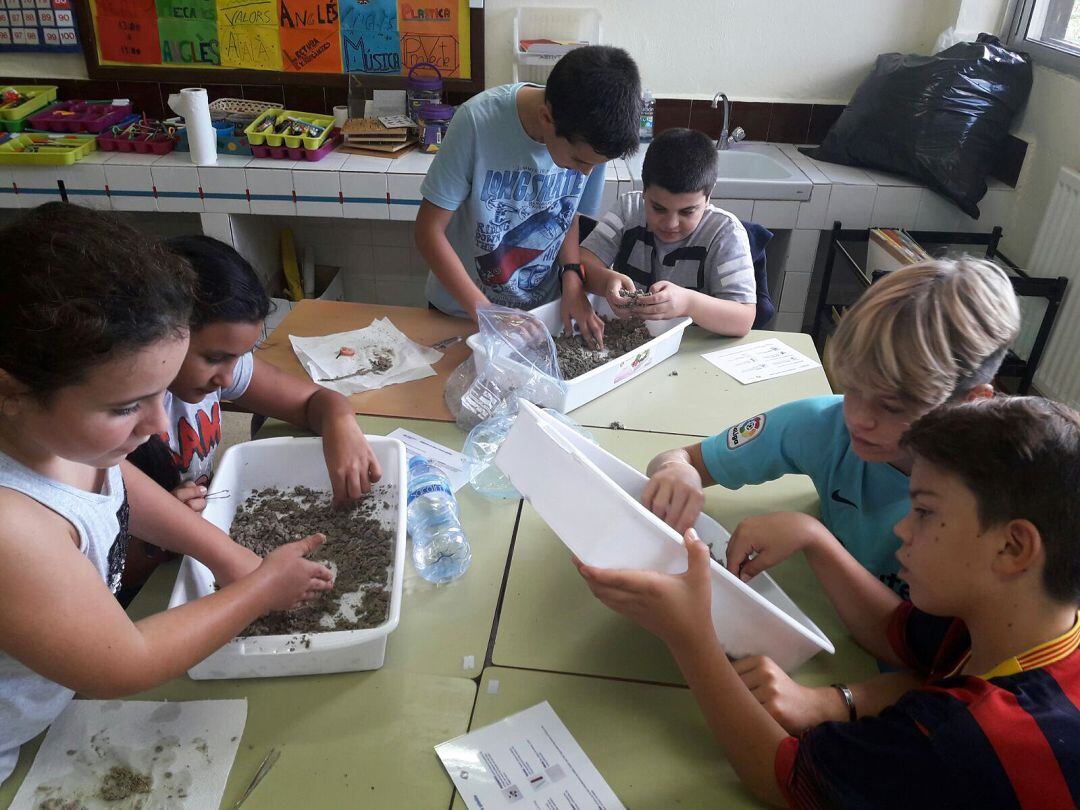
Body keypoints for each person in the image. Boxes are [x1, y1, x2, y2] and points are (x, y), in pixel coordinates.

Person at [578, 396, 1080, 808]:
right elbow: (897, 634)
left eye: (924, 512)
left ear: (1013, 548)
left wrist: (689, 633)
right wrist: (816, 538)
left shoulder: (963, 740)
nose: (902, 527)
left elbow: (784, 777)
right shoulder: (1023, 621)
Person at [0, 204, 332, 784]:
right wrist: (258, 590)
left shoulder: (61, 437)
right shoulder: (11, 525)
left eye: (160, 392)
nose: (158, 423)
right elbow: (124, 663)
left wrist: (228, 557)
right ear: (12, 391)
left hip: (57, 702)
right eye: (127, 406)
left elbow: (119, 482)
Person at [642, 259, 1021, 597]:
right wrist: (677, 473)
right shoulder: (824, 424)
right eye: (852, 387)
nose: (859, 418)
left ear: (972, 403)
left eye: (892, 406)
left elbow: (927, 652)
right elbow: (679, 458)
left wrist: (817, 541)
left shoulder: (993, 508)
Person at [415, 45, 642, 349]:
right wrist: (485, 312)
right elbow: (427, 232)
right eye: (578, 161)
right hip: (462, 311)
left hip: (539, 315)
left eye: (594, 165)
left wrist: (572, 276)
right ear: (547, 118)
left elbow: (566, 215)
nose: (585, 173)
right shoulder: (476, 122)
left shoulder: (592, 145)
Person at [579, 127, 757, 336]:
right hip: (629, 340)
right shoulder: (628, 209)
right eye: (659, 208)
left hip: (691, 346)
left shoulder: (725, 234)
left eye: (687, 211)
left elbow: (743, 320)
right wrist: (606, 280)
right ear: (644, 191)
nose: (671, 223)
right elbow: (580, 263)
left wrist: (689, 303)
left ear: (708, 197)